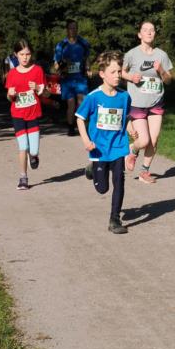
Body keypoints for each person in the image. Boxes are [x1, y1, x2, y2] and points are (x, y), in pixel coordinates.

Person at [76, 50, 132, 234]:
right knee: (102, 189)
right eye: (113, 72)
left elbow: (126, 117)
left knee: (119, 180)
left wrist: (131, 128)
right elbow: (80, 119)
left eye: (119, 72)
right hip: (99, 149)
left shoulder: (124, 96)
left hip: (118, 146)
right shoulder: (93, 97)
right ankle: (92, 169)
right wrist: (86, 141)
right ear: (102, 74)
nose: (117, 76)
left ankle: (114, 219)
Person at [122, 21, 173, 184]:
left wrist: (161, 70)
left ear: (155, 34)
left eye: (152, 30)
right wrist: (131, 77)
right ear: (140, 35)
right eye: (145, 30)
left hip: (156, 102)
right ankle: (133, 149)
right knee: (143, 140)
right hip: (137, 103)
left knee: (154, 139)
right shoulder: (132, 54)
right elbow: (121, 72)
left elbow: (169, 80)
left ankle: (144, 171)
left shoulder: (161, 55)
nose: (149, 32)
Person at [4, 39, 45, 191]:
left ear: (31, 54)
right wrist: (11, 94)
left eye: (27, 54)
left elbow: (45, 92)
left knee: (33, 150)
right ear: (16, 55)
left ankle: (33, 156)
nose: (25, 57)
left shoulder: (38, 70)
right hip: (18, 114)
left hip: (33, 114)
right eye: (21, 54)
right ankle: (23, 178)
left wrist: (38, 88)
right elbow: (9, 97)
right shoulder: (12, 74)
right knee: (23, 146)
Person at [54, 20, 91, 135]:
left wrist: (88, 68)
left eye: (75, 28)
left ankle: (82, 127)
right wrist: (64, 64)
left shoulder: (83, 43)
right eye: (70, 28)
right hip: (67, 80)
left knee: (82, 103)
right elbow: (56, 65)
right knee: (71, 104)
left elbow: (87, 58)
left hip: (80, 79)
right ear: (67, 30)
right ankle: (70, 127)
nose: (73, 30)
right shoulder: (61, 45)